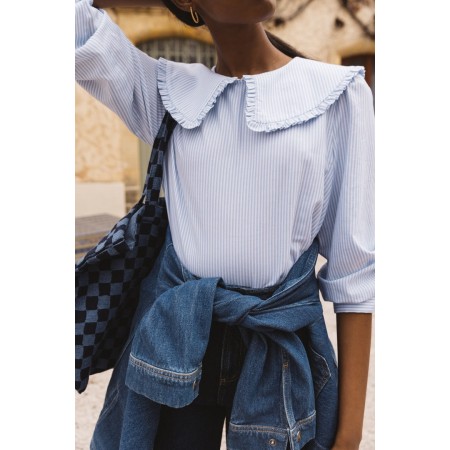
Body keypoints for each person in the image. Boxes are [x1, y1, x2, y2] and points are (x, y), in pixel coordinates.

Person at [75, 0, 374, 449]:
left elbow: (355, 275)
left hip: (280, 346)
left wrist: (349, 436)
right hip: (176, 341)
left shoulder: (337, 93)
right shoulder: (167, 92)